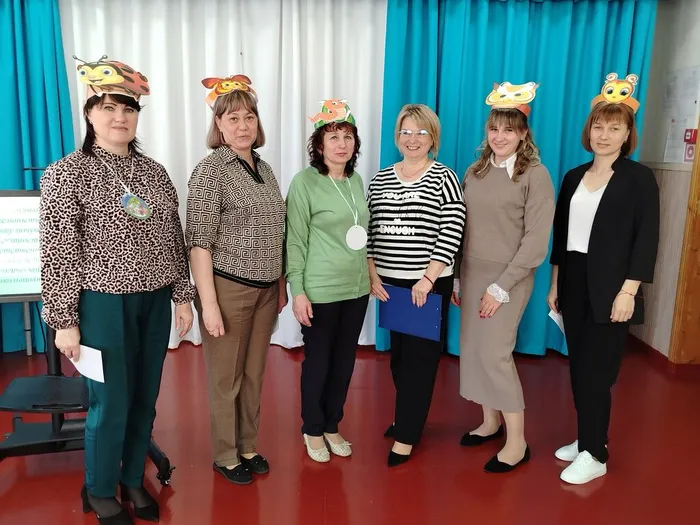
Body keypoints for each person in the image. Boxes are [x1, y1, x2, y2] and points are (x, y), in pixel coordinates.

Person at [40, 55, 195, 525]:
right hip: (102, 303)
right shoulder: (66, 173)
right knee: (110, 402)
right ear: (90, 113)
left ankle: (132, 479)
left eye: (128, 108)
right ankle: (100, 488)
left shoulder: (154, 172)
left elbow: (172, 235)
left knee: (145, 397)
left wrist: (182, 294)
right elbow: (58, 251)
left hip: (155, 300)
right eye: (108, 107)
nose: (119, 117)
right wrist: (64, 321)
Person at [548, 72, 659, 484]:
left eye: (615, 128)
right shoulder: (573, 176)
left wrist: (629, 291)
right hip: (574, 280)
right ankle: (587, 438)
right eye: (599, 126)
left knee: (598, 373)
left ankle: (596, 455)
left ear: (627, 134)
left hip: (613, 287)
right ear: (588, 130)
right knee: (579, 367)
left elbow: (647, 239)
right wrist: (556, 284)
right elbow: (561, 236)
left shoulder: (638, 178)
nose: (605, 135)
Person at [186, 75, 287, 485]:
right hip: (228, 288)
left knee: (254, 374)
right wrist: (208, 304)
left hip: (266, 290)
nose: (243, 126)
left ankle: (247, 445)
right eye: (233, 118)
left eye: (249, 117)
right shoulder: (211, 171)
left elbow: (277, 231)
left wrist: (280, 285)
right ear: (219, 124)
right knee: (226, 378)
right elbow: (198, 244)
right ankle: (226, 454)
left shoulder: (264, 167)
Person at [452, 81, 555, 473]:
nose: (500, 136)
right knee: (475, 350)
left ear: (523, 133)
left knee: (495, 355)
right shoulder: (475, 171)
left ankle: (517, 442)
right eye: (494, 128)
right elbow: (461, 227)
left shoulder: (535, 175)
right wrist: (457, 276)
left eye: (509, 130)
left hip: (509, 279)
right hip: (472, 273)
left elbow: (536, 241)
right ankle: (490, 421)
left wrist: (501, 287)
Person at [367, 103, 466, 467]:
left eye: (421, 132)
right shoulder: (380, 179)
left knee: (420, 362)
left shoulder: (444, 177)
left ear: (432, 137)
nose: (413, 139)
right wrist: (372, 273)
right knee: (399, 359)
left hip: (427, 284)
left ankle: (407, 434)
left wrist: (428, 278)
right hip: (390, 284)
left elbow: (452, 230)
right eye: (406, 132)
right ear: (397, 136)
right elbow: (367, 230)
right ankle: (406, 416)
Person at [285, 99, 369, 463]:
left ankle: (333, 424)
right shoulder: (304, 183)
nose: (341, 144)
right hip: (320, 290)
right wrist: (298, 291)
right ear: (319, 145)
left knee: (344, 363)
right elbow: (295, 241)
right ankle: (313, 428)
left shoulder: (356, 181)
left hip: (356, 289)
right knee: (318, 362)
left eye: (347, 136)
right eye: (333, 137)